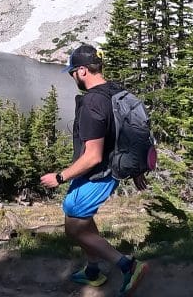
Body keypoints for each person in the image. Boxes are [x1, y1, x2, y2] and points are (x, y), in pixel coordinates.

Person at [40, 44, 148, 297]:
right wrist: (137, 167)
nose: (72, 77)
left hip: (98, 174)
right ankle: (92, 271)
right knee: (80, 220)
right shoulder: (116, 91)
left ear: (82, 71)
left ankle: (128, 266)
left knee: (75, 227)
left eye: (72, 72)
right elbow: (133, 131)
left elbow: (92, 156)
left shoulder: (92, 103)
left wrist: (59, 177)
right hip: (112, 167)